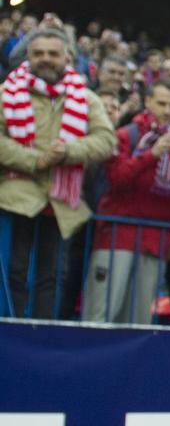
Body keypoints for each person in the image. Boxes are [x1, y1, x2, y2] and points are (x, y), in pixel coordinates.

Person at [0, 27, 114, 319]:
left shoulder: (86, 98)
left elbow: (105, 140)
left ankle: (39, 337)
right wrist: (35, 160)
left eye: (53, 53)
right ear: (28, 56)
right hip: (14, 199)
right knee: (12, 272)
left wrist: (69, 152)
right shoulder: (6, 92)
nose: (45, 59)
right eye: (38, 54)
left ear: (67, 57)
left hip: (61, 203)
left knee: (51, 277)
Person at [83, 79, 170, 324]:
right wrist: (153, 154)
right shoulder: (126, 134)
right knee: (101, 312)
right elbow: (117, 179)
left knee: (138, 318)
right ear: (147, 102)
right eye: (161, 103)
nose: (168, 110)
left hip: (155, 239)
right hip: (118, 235)